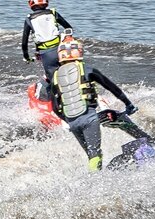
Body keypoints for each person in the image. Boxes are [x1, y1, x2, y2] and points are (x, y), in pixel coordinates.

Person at [50, 33, 138, 172]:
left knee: (91, 155)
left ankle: (95, 177)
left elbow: (55, 107)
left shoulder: (55, 76)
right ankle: (95, 183)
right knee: (95, 153)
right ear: (79, 52)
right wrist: (128, 104)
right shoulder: (87, 70)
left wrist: (67, 120)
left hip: (72, 122)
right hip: (89, 118)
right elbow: (112, 87)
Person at [21, 0, 72, 87]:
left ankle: (56, 101)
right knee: (70, 73)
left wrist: (26, 56)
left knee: (53, 81)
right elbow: (68, 28)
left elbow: (24, 43)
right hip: (62, 50)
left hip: (46, 54)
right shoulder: (53, 13)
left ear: (31, 2)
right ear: (46, 0)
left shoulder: (29, 19)